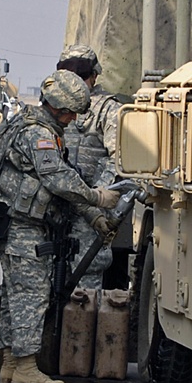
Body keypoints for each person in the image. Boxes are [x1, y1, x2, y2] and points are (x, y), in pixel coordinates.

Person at [0, 71, 121, 383]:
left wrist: (93, 217)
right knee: (32, 294)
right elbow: (60, 180)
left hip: (20, 225)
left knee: (14, 292)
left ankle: (10, 363)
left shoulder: (41, 128)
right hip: (24, 228)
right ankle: (26, 369)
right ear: (59, 107)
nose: (74, 119)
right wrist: (98, 198)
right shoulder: (38, 135)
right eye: (71, 112)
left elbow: (59, 187)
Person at [56, 45, 130, 290]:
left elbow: (117, 159)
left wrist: (96, 196)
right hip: (58, 203)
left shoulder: (108, 110)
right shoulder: (54, 105)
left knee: (85, 279)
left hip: (92, 209)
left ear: (94, 76)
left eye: (80, 74)